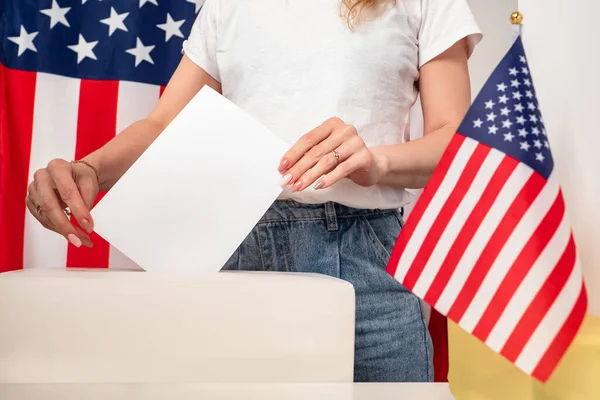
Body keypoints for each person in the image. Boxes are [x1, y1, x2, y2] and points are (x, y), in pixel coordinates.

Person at [25, 0, 481, 382]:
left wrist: (377, 161)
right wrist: (92, 169)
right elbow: (163, 122)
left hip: (362, 255)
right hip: (237, 253)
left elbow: (456, 141)